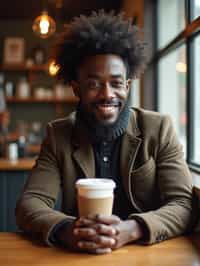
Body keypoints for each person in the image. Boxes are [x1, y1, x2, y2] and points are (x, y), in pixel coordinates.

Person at [16, 11, 193, 254]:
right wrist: (67, 230)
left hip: (146, 256)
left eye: (116, 83)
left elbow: (184, 204)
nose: (107, 94)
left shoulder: (158, 128)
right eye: (94, 84)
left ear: (127, 86)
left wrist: (132, 229)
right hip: (80, 256)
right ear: (76, 88)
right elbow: (30, 204)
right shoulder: (59, 136)